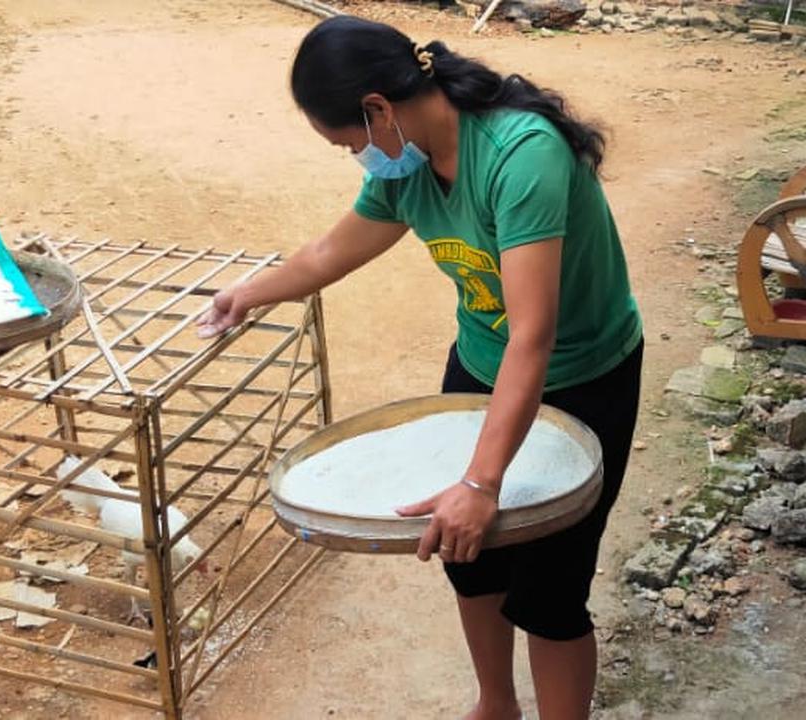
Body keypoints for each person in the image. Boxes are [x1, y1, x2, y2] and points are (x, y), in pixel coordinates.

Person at [197, 16, 642, 720]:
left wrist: (479, 480)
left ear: (378, 108)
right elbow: (327, 254)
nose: (357, 159)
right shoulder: (407, 167)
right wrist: (244, 296)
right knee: (471, 558)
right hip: (479, 365)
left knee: (552, 595)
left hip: (583, 377)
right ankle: (496, 704)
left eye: (349, 143)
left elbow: (534, 335)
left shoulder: (521, 155)